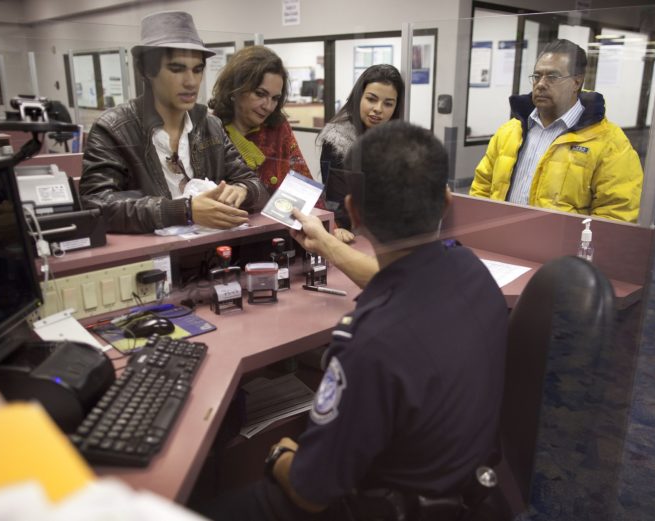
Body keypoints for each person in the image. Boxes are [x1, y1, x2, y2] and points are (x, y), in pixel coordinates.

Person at [200, 121, 508, 521]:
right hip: (467, 492)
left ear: (353, 213)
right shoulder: (471, 270)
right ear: (448, 201)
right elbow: (403, 281)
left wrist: (279, 453)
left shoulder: (370, 342)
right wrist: (326, 243)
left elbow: (311, 495)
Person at [80, 11, 267, 234]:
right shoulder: (113, 129)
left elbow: (255, 184)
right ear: (146, 70)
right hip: (152, 259)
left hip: (211, 252)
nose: (191, 82)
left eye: (197, 70)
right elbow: (97, 205)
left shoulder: (210, 126)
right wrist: (183, 210)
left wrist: (242, 190)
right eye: (177, 69)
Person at [469, 39, 643, 223]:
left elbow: (616, 213)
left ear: (576, 82)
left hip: (563, 249)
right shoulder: (509, 132)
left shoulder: (610, 142)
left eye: (552, 77)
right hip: (500, 242)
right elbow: (482, 187)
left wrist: (573, 248)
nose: (541, 84)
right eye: (537, 76)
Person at [208, 46, 317, 197]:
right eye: (260, 94)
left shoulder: (278, 128)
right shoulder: (210, 129)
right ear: (235, 89)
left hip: (280, 219)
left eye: (275, 98)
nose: (268, 107)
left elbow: (303, 186)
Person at [318, 64, 405, 242]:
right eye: (372, 99)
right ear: (359, 97)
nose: (378, 109)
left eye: (388, 103)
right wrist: (338, 227)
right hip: (353, 234)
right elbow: (335, 197)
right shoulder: (338, 139)